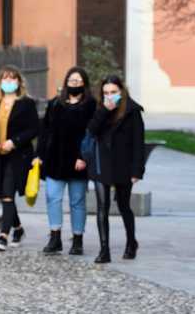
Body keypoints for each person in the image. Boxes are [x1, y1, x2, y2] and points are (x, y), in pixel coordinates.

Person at [35, 67, 96, 255]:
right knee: (53, 198)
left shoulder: (91, 105)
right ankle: (55, 237)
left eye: (78, 81)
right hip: (55, 160)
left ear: (84, 84)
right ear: (66, 82)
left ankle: (78, 239)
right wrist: (39, 155)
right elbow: (44, 131)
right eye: (71, 81)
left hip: (79, 162)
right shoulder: (55, 104)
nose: (74, 84)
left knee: (77, 201)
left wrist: (84, 157)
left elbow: (92, 133)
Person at [0, 66, 39, 252]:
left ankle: (3, 235)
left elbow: (34, 128)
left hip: (17, 155)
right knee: (4, 195)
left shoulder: (27, 103)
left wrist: (15, 141)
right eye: (5, 79)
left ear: (19, 82)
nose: (9, 82)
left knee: (7, 193)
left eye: (12, 79)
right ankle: (18, 229)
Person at [88, 74, 146, 263]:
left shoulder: (132, 111)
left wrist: (137, 170)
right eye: (106, 93)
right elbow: (92, 130)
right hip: (101, 163)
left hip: (123, 164)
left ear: (121, 91)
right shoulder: (99, 108)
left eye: (113, 92)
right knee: (102, 208)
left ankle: (131, 242)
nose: (109, 96)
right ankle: (104, 249)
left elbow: (139, 142)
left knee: (123, 206)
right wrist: (104, 110)